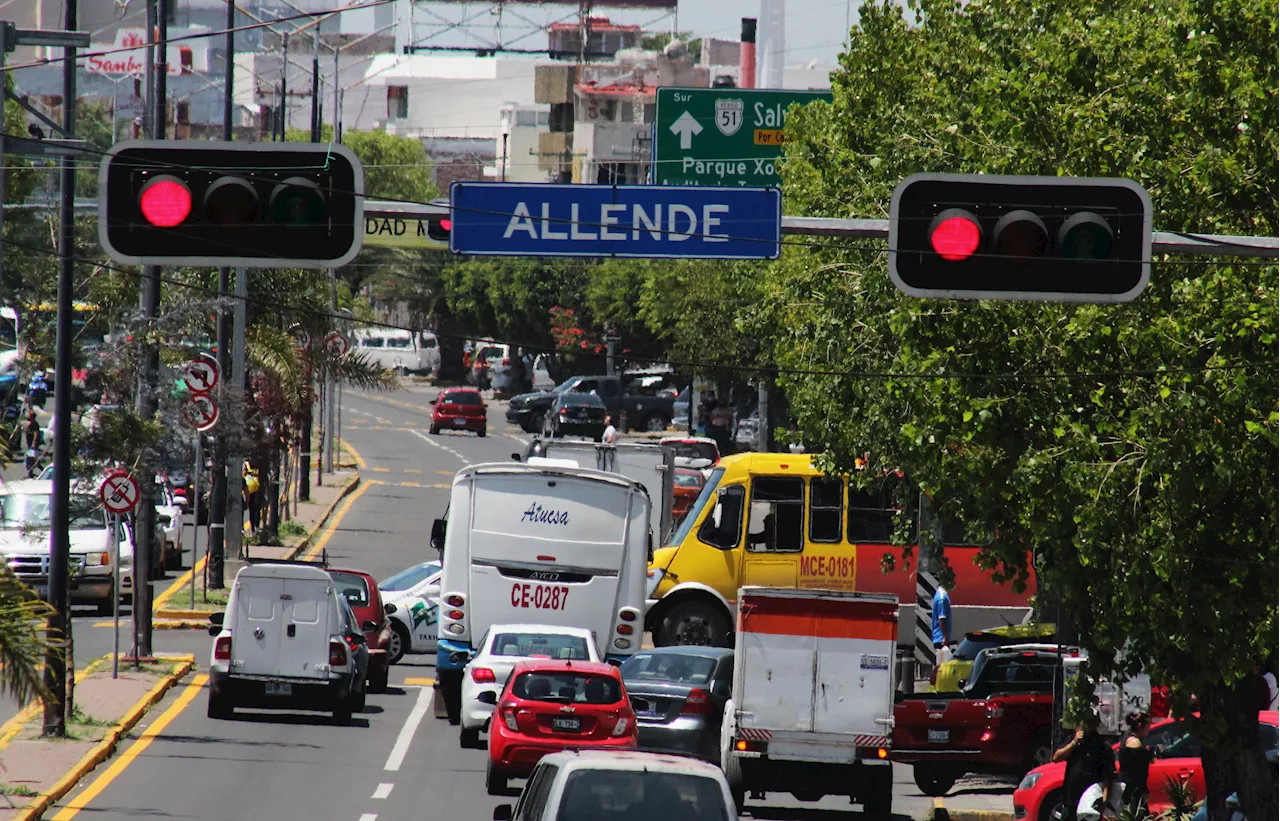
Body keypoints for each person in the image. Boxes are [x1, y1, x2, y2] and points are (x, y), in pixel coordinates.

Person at [1052, 712, 1117, 821]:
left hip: (1090, 801)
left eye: (1091, 721)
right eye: (1086, 721)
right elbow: (1056, 757)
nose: (1088, 724)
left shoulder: (1102, 746)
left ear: (1097, 723)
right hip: (1071, 798)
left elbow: (1108, 776)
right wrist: (1074, 742)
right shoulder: (1075, 740)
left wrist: (1104, 801)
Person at [1119, 711, 1154, 817]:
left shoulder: (1128, 737)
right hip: (1133, 789)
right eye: (1148, 727)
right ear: (1140, 726)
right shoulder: (1135, 743)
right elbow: (1138, 770)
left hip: (1131, 787)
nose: (1149, 730)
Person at [931, 584, 952, 653]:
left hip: (939, 637)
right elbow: (942, 618)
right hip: (941, 639)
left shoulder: (940, 595)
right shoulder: (942, 598)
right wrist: (945, 637)